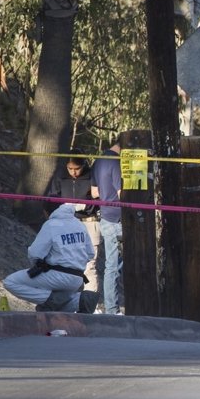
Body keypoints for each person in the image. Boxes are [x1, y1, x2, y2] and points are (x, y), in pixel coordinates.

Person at [3, 203, 99, 313]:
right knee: (57, 309)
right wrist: (76, 263)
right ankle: (79, 301)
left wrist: (39, 265)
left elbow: (35, 254)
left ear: (46, 212)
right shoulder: (79, 225)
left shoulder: (51, 225)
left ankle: (50, 299)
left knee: (11, 282)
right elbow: (90, 253)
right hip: (77, 279)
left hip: (57, 276)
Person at [48, 149, 103, 311]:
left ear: (84, 165)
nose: (73, 173)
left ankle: (88, 304)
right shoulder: (60, 175)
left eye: (77, 169)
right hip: (66, 222)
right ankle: (63, 302)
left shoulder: (92, 175)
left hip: (89, 221)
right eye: (70, 169)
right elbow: (51, 197)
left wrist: (84, 205)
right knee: (64, 261)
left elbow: (97, 198)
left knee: (90, 264)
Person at [91, 134, 123, 315]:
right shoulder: (116, 163)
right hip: (118, 218)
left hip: (105, 216)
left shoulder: (100, 159)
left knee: (111, 264)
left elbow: (95, 192)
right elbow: (122, 193)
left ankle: (111, 306)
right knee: (114, 266)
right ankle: (112, 308)